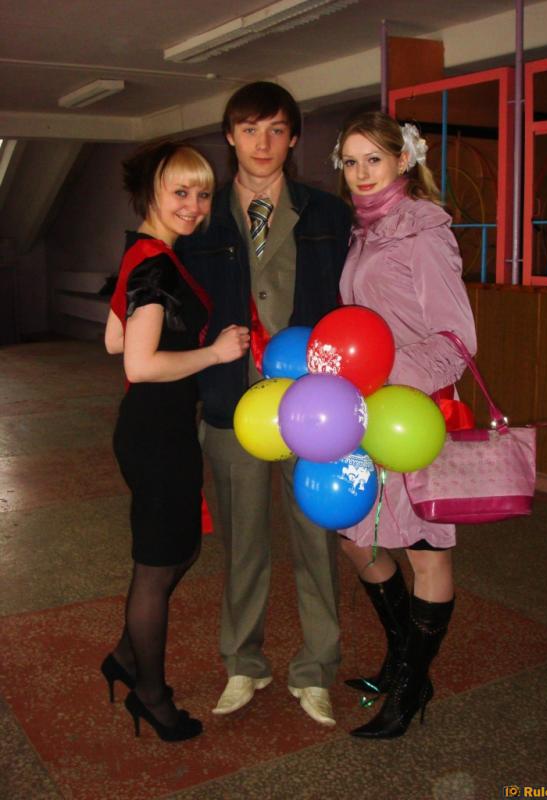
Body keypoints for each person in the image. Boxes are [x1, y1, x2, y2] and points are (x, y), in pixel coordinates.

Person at [176, 82, 352, 727]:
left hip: (314, 405)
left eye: (276, 129)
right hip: (232, 402)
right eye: (249, 129)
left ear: (294, 137)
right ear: (230, 136)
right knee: (243, 544)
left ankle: (317, 669)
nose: (262, 143)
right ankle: (243, 663)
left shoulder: (328, 214)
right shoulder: (202, 220)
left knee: (316, 541)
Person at [331, 110, 477, 739]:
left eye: (374, 159)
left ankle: (411, 688)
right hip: (369, 410)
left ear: (403, 160)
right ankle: (402, 659)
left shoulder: (423, 230)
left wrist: (385, 374)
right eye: (351, 161)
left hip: (415, 411)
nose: (362, 173)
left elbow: (457, 339)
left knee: (424, 554)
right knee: (355, 537)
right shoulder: (365, 230)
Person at [102, 140, 250, 742]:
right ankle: (151, 696)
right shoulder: (155, 263)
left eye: (203, 193)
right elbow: (137, 363)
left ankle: (125, 657)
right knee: (158, 566)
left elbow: (114, 338)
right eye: (180, 192)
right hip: (157, 431)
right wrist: (214, 352)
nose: (194, 205)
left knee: (176, 551)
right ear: (151, 194)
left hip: (156, 427)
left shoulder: (145, 253)